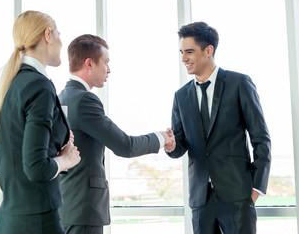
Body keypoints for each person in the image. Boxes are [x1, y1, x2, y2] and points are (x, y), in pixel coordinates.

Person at [58, 34, 175, 234]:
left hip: (67, 205)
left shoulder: (62, 97)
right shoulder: (84, 100)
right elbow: (124, 146)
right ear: (89, 63)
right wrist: (161, 138)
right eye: (106, 62)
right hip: (84, 208)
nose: (109, 69)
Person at [0, 10, 81, 234]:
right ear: (47, 35)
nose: (61, 42)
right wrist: (64, 159)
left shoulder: (6, 85)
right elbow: (36, 168)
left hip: (7, 223)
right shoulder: (40, 86)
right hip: (39, 223)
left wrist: (51, 149)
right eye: (59, 34)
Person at [165, 21, 271, 234]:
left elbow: (261, 138)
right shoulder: (181, 96)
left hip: (238, 195)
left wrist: (256, 188)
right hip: (200, 200)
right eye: (181, 52)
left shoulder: (239, 83)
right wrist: (171, 146)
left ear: (208, 50)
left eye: (189, 52)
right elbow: (180, 146)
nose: (183, 58)